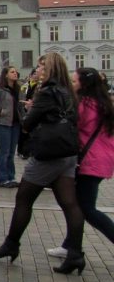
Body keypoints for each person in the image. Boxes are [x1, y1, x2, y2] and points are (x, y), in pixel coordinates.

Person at [0, 53, 87, 275]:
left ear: (50, 69)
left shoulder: (47, 91)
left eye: (42, 67)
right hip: (68, 152)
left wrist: (30, 108)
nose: (39, 70)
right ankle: (76, 254)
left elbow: (27, 123)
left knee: (24, 198)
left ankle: (11, 244)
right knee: (69, 204)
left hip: (48, 154)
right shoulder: (69, 91)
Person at [48, 67, 114, 259]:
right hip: (101, 159)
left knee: (86, 209)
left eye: (74, 81)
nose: (72, 84)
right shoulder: (103, 103)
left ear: (84, 84)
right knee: (77, 206)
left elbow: (72, 127)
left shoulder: (85, 105)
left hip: (90, 161)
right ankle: (69, 244)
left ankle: (71, 245)